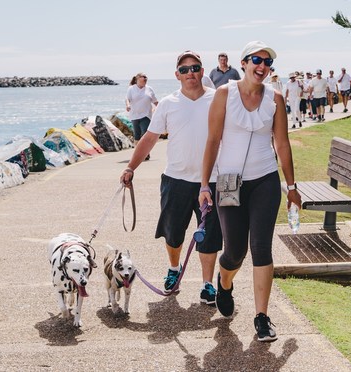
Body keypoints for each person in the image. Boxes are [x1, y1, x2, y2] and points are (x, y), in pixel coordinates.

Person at [199, 40, 301, 342]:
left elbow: (281, 143)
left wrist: (292, 187)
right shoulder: (224, 94)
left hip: (265, 182)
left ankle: (261, 317)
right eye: (256, 59)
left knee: (261, 248)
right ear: (243, 63)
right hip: (228, 183)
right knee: (234, 251)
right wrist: (205, 185)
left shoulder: (275, 98)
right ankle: (225, 283)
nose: (262, 66)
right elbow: (213, 140)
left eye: (268, 62)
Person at [120, 51, 223, 306]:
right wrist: (131, 167)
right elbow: (150, 138)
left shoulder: (218, 99)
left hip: (211, 181)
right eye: (185, 69)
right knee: (173, 234)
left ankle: (207, 284)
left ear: (202, 71)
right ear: (177, 75)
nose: (191, 73)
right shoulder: (168, 103)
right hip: (176, 180)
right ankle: (174, 268)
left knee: (209, 236)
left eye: (195, 68)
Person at [125, 72, 158, 160]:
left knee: (145, 134)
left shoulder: (149, 89)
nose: (145, 79)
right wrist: (128, 105)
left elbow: (155, 101)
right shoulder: (131, 89)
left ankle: (146, 153)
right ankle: (138, 154)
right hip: (134, 115)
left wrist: (162, 108)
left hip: (146, 115)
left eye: (146, 78)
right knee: (137, 135)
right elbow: (127, 99)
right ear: (137, 79)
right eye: (143, 77)